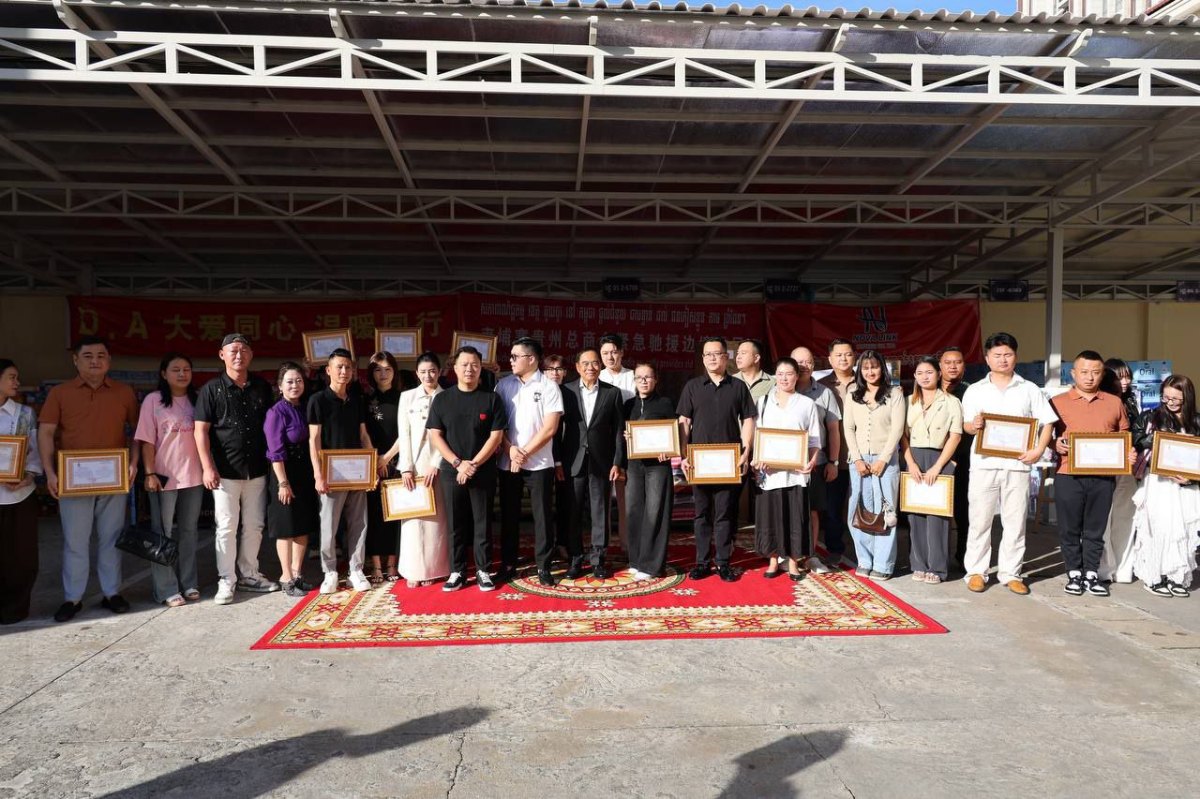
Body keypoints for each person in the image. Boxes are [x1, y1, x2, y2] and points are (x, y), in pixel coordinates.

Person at [39, 336, 140, 623]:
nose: (95, 361)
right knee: (75, 541)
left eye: (101, 355)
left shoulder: (123, 392)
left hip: (114, 478)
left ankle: (112, 592)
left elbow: (138, 431)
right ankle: (72, 598)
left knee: (111, 538)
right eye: (88, 356)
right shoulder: (60, 393)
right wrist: (50, 472)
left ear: (109, 360)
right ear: (75, 360)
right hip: (73, 480)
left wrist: (133, 463)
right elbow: (46, 433)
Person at [960, 332, 1056, 595]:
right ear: (987, 358)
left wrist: (1038, 450)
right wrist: (974, 425)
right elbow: (966, 426)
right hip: (984, 464)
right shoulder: (975, 390)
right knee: (979, 520)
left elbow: (1048, 422)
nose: (1003, 359)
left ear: (1016, 356)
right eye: (997, 355)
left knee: (1015, 522)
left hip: (1018, 465)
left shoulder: (1029, 389)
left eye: (1008, 354)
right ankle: (976, 572)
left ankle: (1011, 573)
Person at [194, 333, 279, 605]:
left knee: (254, 525)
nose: (238, 355)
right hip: (224, 472)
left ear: (251, 355)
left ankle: (249, 574)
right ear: (222, 355)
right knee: (226, 526)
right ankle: (226, 579)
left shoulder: (261, 387)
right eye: (233, 351)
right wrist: (207, 467)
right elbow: (200, 431)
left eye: (243, 350)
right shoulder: (211, 390)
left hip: (257, 469)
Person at [426, 346, 507, 592]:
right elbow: (435, 435)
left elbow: (496, 436)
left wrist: (473, 464)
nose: (469, 369)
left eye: (474, 364)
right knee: (455, 522)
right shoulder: (442, 399)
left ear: (481, 368)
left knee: (483, 521)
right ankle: (457, 571)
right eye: (464, 364)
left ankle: (483, 569)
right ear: (455, 368)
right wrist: (457, 463)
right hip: (452, 472)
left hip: (482, 470)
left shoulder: (491, 399)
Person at [1051, 350, 1132, 597]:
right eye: (1084, 372)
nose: (1089, 377)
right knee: (1069, 528)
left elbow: (1124, 434)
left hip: (1103, 475)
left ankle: (1091, 573)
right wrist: (1055, 444)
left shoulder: (1114, 402)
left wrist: (1128, 453)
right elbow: (1046, 436)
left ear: (1102, 374)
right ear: (1073, 373)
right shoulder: (1057, 402)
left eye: (1095, 372)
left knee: (1095, 528)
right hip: (1068, 473)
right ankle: (1074, 572)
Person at [678, 336, 757, 582]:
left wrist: (746, 451)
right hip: (699, 462)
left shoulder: (738, 387)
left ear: (726, 357)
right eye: (708, 354)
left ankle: (723, 562)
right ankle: (702, 562)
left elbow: (749, 419)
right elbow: (684, 422)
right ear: (703, 359)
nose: (713, 358)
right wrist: (683, 455)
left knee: (725, 513)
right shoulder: (692, 387)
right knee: (701, 513)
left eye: (717, 353)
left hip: (728, 462)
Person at [134, 353, 204, 608]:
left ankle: (189, 582)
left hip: (194, 477)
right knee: (162, 533)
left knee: (189, 531)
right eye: (176, 369)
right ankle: (166, 588)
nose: (182, 374)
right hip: (163, 477)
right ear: (164, 374)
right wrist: (149, 473)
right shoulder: (153, 401)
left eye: (186, 369)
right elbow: (146, 440)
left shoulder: (198, 400)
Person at [495, 337, 563, 585]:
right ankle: (508, 563)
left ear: (531, 359)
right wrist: (510, 449)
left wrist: (522, 452)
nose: (511, 360)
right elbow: (497, 425)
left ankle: (544, 566)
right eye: (511, 356)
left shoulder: (548, 386)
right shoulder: (503, 385)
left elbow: (550, 428)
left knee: (542, 517)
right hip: (508, 462)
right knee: (509, 515)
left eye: (516, 356)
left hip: (539, 463)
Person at [308, 348, 375, 595]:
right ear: (328, 370)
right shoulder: (318, 400)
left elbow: (363, 435)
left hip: (357, 472)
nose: (344, 371)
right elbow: (314, 439)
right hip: (330, 474)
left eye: (348, 367)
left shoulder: (356, 400)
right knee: (329, 525)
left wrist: (371, 468)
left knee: (359, 523)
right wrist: (318, 474)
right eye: (339, 367)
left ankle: (356, 569)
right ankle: (330, 571)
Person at [752, 357, 822, 581]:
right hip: (770, 474)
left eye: (789, 374)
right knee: (771, 518)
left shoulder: (806, 404)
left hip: (796, 474)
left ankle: (793, 562)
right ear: (775, 376)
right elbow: (757, 437)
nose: (784, 378)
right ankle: (773, 560)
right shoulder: (763, 402)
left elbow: (815, 440)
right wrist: (758, 461)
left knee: (795, 518)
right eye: (780, 374)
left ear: (797, 376)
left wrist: (812, 461)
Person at [560, 347, 626, 580]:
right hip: (572, 460)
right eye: (586, 363)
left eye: (595, 363)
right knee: (573, 511)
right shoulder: (565, 391)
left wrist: (617, 462)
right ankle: (576, 558)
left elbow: (618, 431)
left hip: (602, 461)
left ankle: (598, 559)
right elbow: (558, 429)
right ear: (577, 367)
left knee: (600, 511)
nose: (591, 367)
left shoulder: (612, 393)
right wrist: (557, 461)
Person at [1130, 375, 1199, 597]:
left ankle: (1176, 576)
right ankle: (1154, 576)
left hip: (1186, 486)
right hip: (1158, 483)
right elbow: (1136, 441)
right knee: (1157, 527)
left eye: (1175, 399)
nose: (1170, 402)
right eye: (1166, 398)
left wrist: (1192, 479)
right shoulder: (1149, 418)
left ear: (1187, 397)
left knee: (1182, 531)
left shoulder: (1196, 422)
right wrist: (1155, 439)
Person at [843, 349, 905, 580]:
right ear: (860, 370)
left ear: (882, 368)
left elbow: (897, 429)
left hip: (885, 462)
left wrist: (883, 459)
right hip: (859, 462)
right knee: (859, 510)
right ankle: (865, 560)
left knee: (885, 512)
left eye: (875, 367)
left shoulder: (894, 393)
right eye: (866, 368)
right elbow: (848, 428)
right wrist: (857, 458)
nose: (870, 372)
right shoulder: (853, 393)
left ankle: (883, 564)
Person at [901, 356, 963, 584]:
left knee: (938, 517)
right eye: (920, 373)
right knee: (915, 515)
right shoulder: (907, 401)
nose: (924, 377)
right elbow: (902, 436)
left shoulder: (951, 402)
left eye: (929, 372)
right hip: (913, 457)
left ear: (938, 374)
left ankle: (937, 568)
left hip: (939, 458)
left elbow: (955, 436)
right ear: (914, 376)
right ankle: (918, 564)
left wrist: (938, 466)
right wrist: (910, 463)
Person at [264, 362, 320, 598]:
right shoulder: (276, 412)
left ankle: (297, 574)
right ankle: (285, 576)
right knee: (286, 528)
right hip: (284, 474)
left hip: (304, 473)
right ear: (280, 386)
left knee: (302, 526)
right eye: (289, 381)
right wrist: (283, 483)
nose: (295, 385)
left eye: (298, 380)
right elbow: (274, 451)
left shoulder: (305, 407)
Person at [396, 352, 450, 588]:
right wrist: (406, 467)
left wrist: (436, 463)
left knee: (436, 519)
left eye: (432, 371)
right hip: (414, 466)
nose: (428, 376)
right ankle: (413, 570)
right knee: (412, 519)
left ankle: (435, 568)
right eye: (423, 371)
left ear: (440, 372)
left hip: (438, 465)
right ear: (417, 373)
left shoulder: (447, 397)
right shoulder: (407, 397)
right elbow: (404, 434)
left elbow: (448, 434)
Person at [790, 346, 843, 573]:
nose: (804, 366)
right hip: (785, 463)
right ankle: (787, 554)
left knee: (813, 511)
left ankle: (810, 555)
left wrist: (833, 461)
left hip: (815, 462)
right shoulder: (779, 391)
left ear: (814, 365)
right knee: (788, 510)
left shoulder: (824, 393)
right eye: (799, 362)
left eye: (808, 362)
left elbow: (833, 430)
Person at [623, 363, 676, 580]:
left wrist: (668, 450)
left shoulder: (665, 403)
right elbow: (620, 434)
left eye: (648, 377)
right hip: (634, 465)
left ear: (656, 379)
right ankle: (636, 560)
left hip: (657, 465)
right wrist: (625, 436)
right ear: (634, 381)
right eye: (639, 377)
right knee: (634, 511)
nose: (644, 381)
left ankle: (652, 565)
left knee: (655, 511)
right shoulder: (628, 405)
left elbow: (673, 433)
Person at [0, 358, 43, 624]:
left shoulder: (24, 414)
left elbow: (35, 451)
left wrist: (27, 476)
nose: (17, 382)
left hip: (19, 495)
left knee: (20, 555)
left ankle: (15, 609)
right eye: (12, 377)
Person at [1099, 357, 1140, 584]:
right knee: (1102, 518)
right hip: (1102, 466)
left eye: (1127, 377)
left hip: (1127, 467)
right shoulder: (1101, 402)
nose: (1125, 382)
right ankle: (1104, 568)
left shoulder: (1132, 402)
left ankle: (1124, 569)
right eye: (1119, 378)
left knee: (1126, 517)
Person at [364, 352, 402, 584]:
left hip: (397, 462)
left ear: (394, 371)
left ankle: (392, 563)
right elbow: (363, 433)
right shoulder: (365, 399)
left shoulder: (404, 398)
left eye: (388, 369)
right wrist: (375, 460)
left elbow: (407, 432)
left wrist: (387, 459)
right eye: (378, 369)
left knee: (396, 514)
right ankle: (376, 564)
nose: (383, 374)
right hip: (371, 464)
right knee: (374, 514)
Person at [818, 338, 857, 565]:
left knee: (864, 506)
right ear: (830, 359)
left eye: (848, 354)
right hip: (835, 457)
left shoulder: (866, 381)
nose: (843, 359)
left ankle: (864, 551)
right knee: (833, 508)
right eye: (838, 355)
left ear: (854, 357)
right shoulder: (822, 387)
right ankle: (834, 549)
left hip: (862, 456)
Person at [939, 346, 973, 571]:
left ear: (964, 366)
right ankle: (935, 558)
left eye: (957, 362)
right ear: (940, 366)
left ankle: (963, 557)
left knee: (963, 511)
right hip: (932, 459)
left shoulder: (972, 392)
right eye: (948, 362)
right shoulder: (928, 389)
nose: (953, 366)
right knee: (933, 511)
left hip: (963, 459)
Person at [598, 334, 634, 549]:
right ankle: (602, 546)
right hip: (601, 444)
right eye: (605, 353)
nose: (610, 357)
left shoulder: (633, 377)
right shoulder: (596, 376)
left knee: (624, 499)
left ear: (621, 352)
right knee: (600, 499)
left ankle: (626, 544)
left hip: (627, 442)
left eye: (613, 352)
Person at [542, 354, 573, 559]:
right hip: (540, 455)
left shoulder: (570, 394)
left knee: (564, 502)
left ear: (565, 372)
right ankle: (544, 546)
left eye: (559, 369)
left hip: (565, 456)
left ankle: (562, 542)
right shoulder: (539, 392)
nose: (554, 373)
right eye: (550, 369)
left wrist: (560, 460)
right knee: (543, 504)